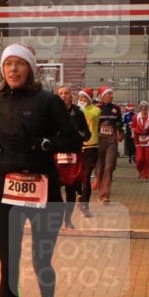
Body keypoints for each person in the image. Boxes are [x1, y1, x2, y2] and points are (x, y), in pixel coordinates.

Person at [0, 44, 83, 297]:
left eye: (19, 64)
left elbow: (73, 140)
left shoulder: (48, 101)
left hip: (43, 188)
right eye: (7, 64)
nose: (12, 70)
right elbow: (5, 138)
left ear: (31, 69)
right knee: (8, 266)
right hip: (8, 190)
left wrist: (43, 144)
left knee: (42, 260)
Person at [56, 85, 91, 229]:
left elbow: (87, 134)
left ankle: (68, 220)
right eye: (61, 93)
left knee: (71, 190)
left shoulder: (78, 112)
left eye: (66, 93)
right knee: (54, 191)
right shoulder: (53, 113)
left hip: (73, 156)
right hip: (57, 156)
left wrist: (80, 135)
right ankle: (56, 218)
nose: (63, 95)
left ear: (72, 96)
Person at [94, 86, 123, 203]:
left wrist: (121, 132)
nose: (111, 95)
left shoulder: (116, 108)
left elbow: (120, 121)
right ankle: (101, 189)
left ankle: (105, 195)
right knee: (99, 169)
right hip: (99, 140)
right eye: (108, 94)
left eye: (111, 93)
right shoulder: (96, 108)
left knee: (109, 166)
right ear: (102, 96)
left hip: (111, 140)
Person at [76, 89, 100, 218]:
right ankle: (79, 197)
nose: (82, 100)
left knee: (86, 176)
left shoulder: (96, 110)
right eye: (80, 98)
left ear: (89, 99)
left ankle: (85, 206)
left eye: (84, 98)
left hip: (92, 146)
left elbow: (90, 117)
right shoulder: (76, 111)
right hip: (78, 147)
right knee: (77, 176)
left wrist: (81, 109)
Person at [130, 101, 149, 180]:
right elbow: (132, 126)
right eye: (143, 107)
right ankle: (140, 170)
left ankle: (145, 175)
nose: (144, 108)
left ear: (147, 108)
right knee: (139, 159)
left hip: (148, 140)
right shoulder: (135, 117)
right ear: (140, 108)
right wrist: (133, 133)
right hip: (138, 140)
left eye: (146, 107)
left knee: (148, 159)